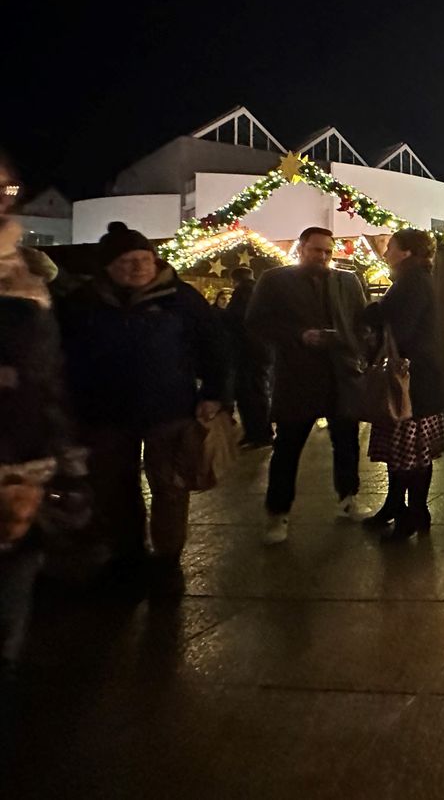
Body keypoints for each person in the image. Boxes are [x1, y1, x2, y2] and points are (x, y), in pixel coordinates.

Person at [56, 221, 229, 596]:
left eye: (143, 258)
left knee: (168, 487)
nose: (137, 267)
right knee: (115, 488)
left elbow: (214, 346)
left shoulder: (181, 298)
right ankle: (126, 556)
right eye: (126, 261)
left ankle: (167, 561)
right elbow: (62, 354)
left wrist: (215, 393)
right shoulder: (83, 301)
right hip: (104, 414)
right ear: (107, 267)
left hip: (168, 410)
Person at [1, 158, 86, 726]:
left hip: (22, 458)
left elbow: (48, 376)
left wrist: (62, 459)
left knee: (10, 607)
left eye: (4, 186)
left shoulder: (27, 274)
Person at [247, 226, 368, 545]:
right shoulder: (275, 280)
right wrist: (298, 336)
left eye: (328, 252)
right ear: (301, 248)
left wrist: (353, 345)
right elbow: (257, 323)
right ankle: (277, 512)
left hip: (339, 374)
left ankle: (348, 497)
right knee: (287, 448)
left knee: (347, 442)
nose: (324, 257)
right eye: (317, 250)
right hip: (296, 377)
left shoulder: (347, 280)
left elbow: (360, 321)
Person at [362, 230, 444, 541]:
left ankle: (410, 513)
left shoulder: (410, 284)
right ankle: (401, 507)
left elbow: (403, 329)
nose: (385, 253)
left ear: (407, 252)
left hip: (410, 382)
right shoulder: (415, 280)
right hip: (419, 379)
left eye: (391, 247)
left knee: (409, 454)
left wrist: (373, 313)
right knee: (410, 454)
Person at [224, 267, 273, 447]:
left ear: (234, 280)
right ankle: (260, 432)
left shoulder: (241, 295)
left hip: (247, 352)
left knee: (249, 394)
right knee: (258, 392)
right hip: (261, 351)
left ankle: (257, 433)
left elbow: (236, 321)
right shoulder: (260, 292)